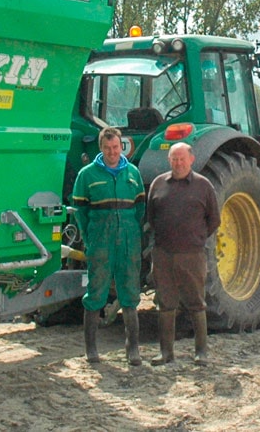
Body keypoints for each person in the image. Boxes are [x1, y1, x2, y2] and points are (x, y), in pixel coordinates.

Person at [71, 127, 146, 365]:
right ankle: (91, 349)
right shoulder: (87, 175)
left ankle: (132, 349)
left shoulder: (133, 174)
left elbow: (140, 209)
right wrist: (90, 238)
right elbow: (80, 212)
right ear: (101, 148)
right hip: (100, 240)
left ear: (121, 147)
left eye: (116, 148)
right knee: (95, 293)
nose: (112, 152)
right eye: (107, 148)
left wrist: (132, 234)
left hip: (128, 241)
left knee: (130, 293)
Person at [147, 142, 220, 366]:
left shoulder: (203, 186)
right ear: (169, 161)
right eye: (174, 159)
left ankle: (201, 352)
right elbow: (151, 216)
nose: (178, 163)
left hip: (192, 255)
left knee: (196, 303)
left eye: (182, 159)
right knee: (166, 303)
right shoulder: (158, 184)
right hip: (163, 254)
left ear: (191, 160)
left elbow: (214, 220)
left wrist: (195, 238)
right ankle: (166, 352)